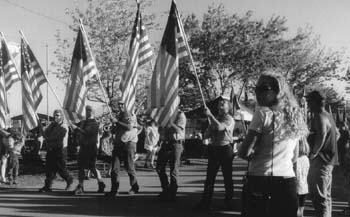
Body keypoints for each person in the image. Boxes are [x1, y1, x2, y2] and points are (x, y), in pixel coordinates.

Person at [238, 70, 308, 217]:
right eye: (256, 89)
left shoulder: (262, 113)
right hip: (287, 181)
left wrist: (252, 152)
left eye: (263, 89)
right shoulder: (295, 115)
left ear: (277, 91)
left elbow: (243, 152)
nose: (257, 93)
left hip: (260, 179)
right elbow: (294, 157)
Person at [197, 97, 235, 210]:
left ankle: (228, 201)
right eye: (220, 103)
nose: (221, 104)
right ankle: (206, 202)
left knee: (227, 177)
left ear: (228, 108)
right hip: (214, 149)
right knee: (210, 178)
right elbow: (207, 134)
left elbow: (219, 127)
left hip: (225, 149)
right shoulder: (215, 118)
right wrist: (207, 131)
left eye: (224, 103)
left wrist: (210, 116)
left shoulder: (229, 119)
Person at [307, 90, 339, 217]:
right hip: (329, 160)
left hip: (321, 160)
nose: (308, 103)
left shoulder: (319, 115)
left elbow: (322, 135)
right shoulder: (328, 116)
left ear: (315, 102)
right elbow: (337, 134)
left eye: (309, 100)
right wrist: (329, 145)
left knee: (319, 197)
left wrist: (314, 153)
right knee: (326, 196)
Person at [105, 99, 140, 197]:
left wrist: (117, 121)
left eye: (122, 104)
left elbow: (129, 127)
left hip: (128, 144)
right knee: (114, 168)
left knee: (129, 167)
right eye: (119, 104)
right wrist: (112, 126)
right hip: (118, 144)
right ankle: (114, 189)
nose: (120, 106)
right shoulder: (119, 115)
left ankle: (134, 187)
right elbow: (116, 129)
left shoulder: (130, 115)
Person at [73, 105, 106, 195]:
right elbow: (78, 132)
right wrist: (74, 127)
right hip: (83, 147)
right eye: (87, 110)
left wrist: (77, 129)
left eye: (90, 110)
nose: (88, 112)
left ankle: (100, 182)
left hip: (91, 147)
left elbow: (88, 133)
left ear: (93, 112)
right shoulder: (83, 122)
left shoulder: (95, 123)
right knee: (80, 167)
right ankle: (81, 186)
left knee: (92, 167)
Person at [39, 110, 74, 192]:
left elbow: (58, 137)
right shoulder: (52, 125)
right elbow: (45, 133)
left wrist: (48, 138)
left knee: (61, 169)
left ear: (62, 116)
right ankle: (48, 185)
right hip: (51, 149)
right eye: (55, 115)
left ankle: (69, 181)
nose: (56, 117)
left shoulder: (64, 126)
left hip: (60, 150)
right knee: (49, 168)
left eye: (58, 115)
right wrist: (41, 127)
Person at [156, 110, 186, 201]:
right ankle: (166, 189)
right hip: (166, 143)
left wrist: (171, 123)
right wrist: (161, 132)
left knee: (173, 170)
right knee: (159, 168)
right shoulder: (165, 115)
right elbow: (161, 130)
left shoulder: (180, 115)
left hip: (176, 144)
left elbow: (179, 130)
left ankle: (172, 193)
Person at [295, 138, 310, 217]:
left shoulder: (295, 160)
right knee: (301, 212)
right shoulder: (306, 159)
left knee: (295, 211)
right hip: (304, 188)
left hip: (296, 187)